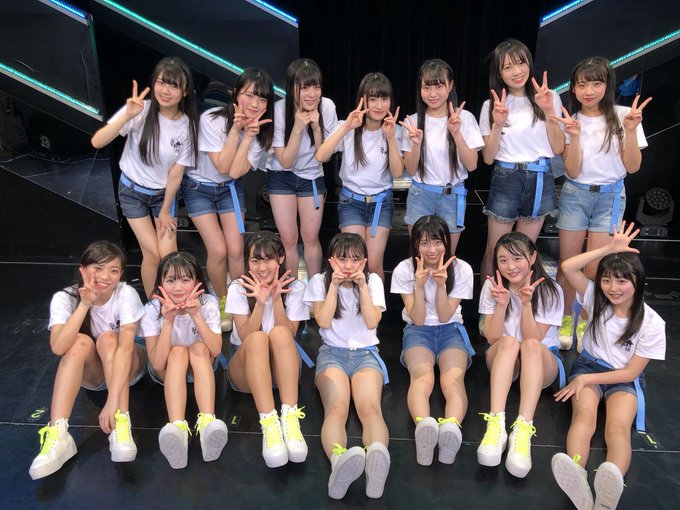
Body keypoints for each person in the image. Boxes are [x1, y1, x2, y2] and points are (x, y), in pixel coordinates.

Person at [552, 222, 665, 510]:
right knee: (584, 417)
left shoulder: (652, 323)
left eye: (622, 281)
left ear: (638, 281)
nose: (613, 288)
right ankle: (577, 474)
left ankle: (610, 485)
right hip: (588, 366)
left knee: (617, 427)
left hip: (622, 378)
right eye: (606, 280)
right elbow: (568, 267)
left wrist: (585, 381)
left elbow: (632, 372)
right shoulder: (595, 298)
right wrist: (608, 249)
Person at [554, 57, 650, 348]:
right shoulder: (570, 119)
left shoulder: (623, 115)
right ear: (573, 88)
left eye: (596, 83)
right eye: (582, 84)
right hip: (575, 194)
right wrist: (574, 136)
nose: (589, 91)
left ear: (607, 85)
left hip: (610, 196)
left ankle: (586, 320)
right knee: (567, 264)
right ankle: (564, 318)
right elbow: (572, 171)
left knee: (595, 269)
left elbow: (633, 166)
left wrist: (630, 131)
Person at [29, 241, 146, 479]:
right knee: (80, 342)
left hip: (128, 367)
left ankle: (121, 422)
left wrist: (113, 401)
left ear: (121, 274)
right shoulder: (64, 298)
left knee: (108, 339)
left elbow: (125, 350)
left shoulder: (126, 294)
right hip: (94, 374)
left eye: (114, 270)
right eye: (97, 268)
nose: (105, 276)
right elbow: (58, 347)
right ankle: (59, 434)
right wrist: (84, 304)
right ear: (83, 270)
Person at [91, 57, 198, 298]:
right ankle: (154, 305)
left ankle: (171, 303)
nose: (165, 90)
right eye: (161, 82)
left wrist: (166, 210)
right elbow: (97, 141)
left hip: (163, 196)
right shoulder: (141, 110)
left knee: (170, 257)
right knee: (152, 254)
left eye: (173, 85)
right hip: (132, 193)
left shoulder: (187, 126)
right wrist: (127, 115)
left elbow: (176, 173)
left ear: (185, 91)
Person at [183, 68, 274, 331]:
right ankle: (223, 300)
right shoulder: (211, 119)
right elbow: (222, 165)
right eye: (249, 95)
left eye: (262, 99)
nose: (255, 104)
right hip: (198, 187)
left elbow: (233, 172)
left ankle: (240, 300)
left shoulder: (261, 135)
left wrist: (250, 136)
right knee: (218, 250)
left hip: (230, 189)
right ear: (236, 94)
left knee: (236, 250)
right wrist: (236, 129)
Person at [305, 233, 390, 499]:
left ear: (364, 261)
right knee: (337, 408)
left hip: (366, 354)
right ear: (331, 260)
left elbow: (372, 321)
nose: (349, 265)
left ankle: (377, 462)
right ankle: (338, 462)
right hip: (332, 354)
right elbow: (323, 321)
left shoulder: (373, 281)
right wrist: (334, 286)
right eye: (342, 259)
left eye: (355, 259)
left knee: (370, 408)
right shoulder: (319, 282)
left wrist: (362, 287)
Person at [477, 232, 564, 478]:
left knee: (530, 345)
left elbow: (534, 337)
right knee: (508, 341)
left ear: (533, 257)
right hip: (505, 357)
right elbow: (492, 338)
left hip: (540, 361)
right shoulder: (493, 286)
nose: (510, 266)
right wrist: (502, 305)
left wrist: (526, 304)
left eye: (517, 258)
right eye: (503, 260)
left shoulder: (551, 290)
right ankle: (496, 425)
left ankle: (523, 430)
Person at [390, 215, 474, 466]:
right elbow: (418, 319)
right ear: (415, 244)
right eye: (424, 243)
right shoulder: (404, 269)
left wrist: (441, 285)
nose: (432, 249)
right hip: (418, 331)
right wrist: (418, 286)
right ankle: (423, 428)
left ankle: (451, 429)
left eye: (437, 242)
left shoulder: (462, 269)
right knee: (422, 376)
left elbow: (446, 315)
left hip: (451, 329)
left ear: (447, 242)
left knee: (452, 379)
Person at [478, 39, 564, 283]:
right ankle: (489, 304)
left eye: (521, 63)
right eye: (507, 67)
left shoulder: (550, 97)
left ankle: (517, 304)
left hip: (540, 177)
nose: (516, 71)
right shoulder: (491, 105)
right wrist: (497, 124)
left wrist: (549, 111)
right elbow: (488, 157)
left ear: (529, 64)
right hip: (507, 177)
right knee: (496, 252)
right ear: (499, 73)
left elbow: (558, 148)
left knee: (524, 253)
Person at [225, 231, 310, 468]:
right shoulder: (238, 287)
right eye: (255, 260)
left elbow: (290, 333)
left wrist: (276, 299)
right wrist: (260, 304)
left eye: (268, 259)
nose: (262, 267)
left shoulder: (294, 286)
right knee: (257, 339)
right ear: (247, 262)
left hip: (282, 369)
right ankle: (270, 424)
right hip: (247, 368)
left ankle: (290, 419)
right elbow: (245, 336)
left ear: (280, 258)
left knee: (280, 333)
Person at [141, 252, 228, 469]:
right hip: (167, 368)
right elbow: (157, 363)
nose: (178, 288)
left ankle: (207, 422)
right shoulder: (152, 309)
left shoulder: (207, 303)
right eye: (171, 280)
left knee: (198, 347)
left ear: (197, 281)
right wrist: (168, 321)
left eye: (185, 280)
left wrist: (196, 315)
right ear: (160, 283)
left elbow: (216, 350)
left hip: (201, 365)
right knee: (178, 352)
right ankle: (177, 427)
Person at [316, 72, 403, 279]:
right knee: (353, 262)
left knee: (373, 264)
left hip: (381, 203)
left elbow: (398, 172)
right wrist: (346, 127)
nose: (379, 105)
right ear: (363, 100)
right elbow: (321, 155)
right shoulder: (348, 126)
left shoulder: (395, 130)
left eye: (384, 99)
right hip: (351, 202)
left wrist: (391, 138)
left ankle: (375, 301)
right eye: (373, 99)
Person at [399, 58, 483, 255]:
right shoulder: (412, 121)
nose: (432, 94)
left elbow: (472, 165)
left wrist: (456, 133)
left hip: (452, 196)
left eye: (439, 86)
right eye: (426, 87)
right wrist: (416, 144)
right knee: (419, 257)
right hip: (421, 195)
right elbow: (410, 169)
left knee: (446, 259)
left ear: (450, 85)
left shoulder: (465, 118)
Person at [266, 58, 338, 278]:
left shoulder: (327, 106)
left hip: (312, 177)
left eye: (316, 87)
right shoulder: (280, 110)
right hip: (281, 176)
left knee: (311, 237)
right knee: (288, 239)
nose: (311, 94)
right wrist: (297, 128)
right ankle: (291, 290)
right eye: (304, 88)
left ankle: (315, 288)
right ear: (292, 88)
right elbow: (285, 161)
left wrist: (316, 128)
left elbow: (324, 156)